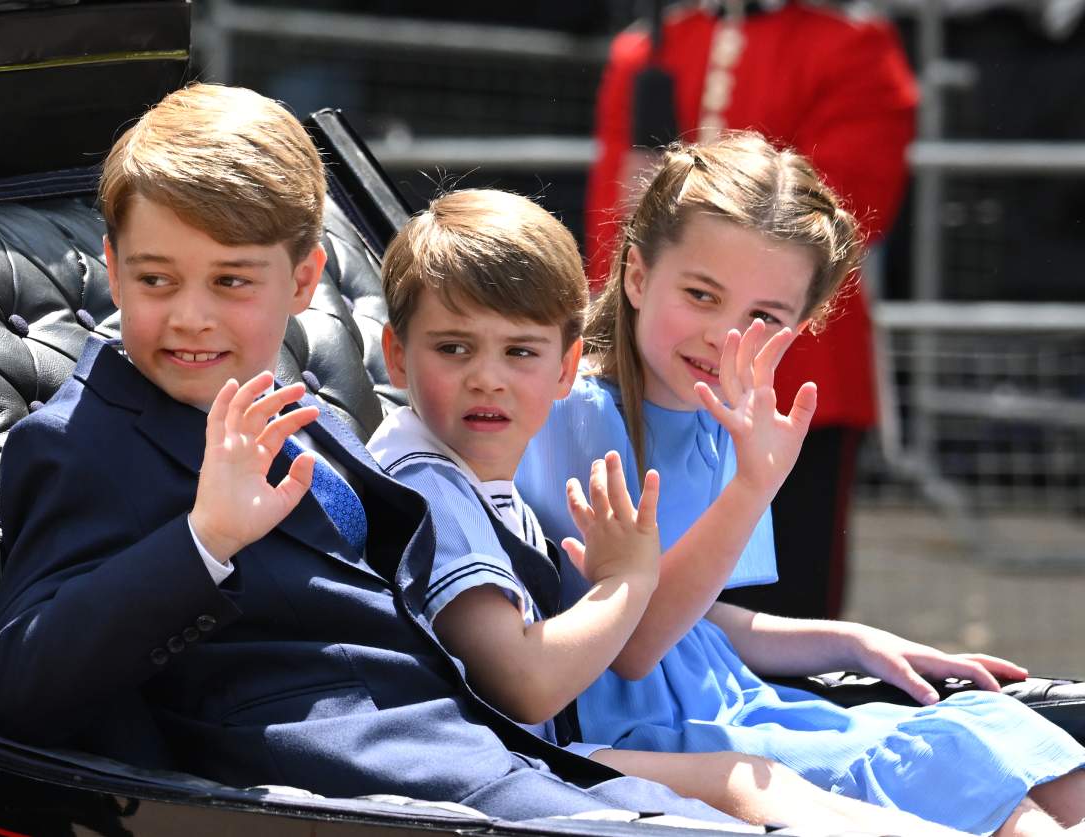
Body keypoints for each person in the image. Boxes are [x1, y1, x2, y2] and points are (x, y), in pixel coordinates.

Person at [0, 82, 755, 825]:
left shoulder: (296, 408)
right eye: (156, 279)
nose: (190, 316)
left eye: (231, 281)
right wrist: (203, 539)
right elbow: (20, 679)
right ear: (113, 270)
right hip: (353, 787)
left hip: (480, 750)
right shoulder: (80, 442)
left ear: (305, 279)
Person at [516, 132, 1085, 837]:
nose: (725, 337)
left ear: (802, 326)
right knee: (969, 774)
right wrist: (752, 486)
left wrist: (850, 639)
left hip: (739, 703)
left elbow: (702, 619)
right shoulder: (574, 414)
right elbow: (634, 644)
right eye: (700, 294)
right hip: (648, 733)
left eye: (763, 318)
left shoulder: (724, 419)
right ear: (636, 276)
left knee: (1027, 748)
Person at [367, 186, 970, 835]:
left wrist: (848, 638)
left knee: (963, 751)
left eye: (520, 352)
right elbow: (541, 680)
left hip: (578, 742)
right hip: (548, 755)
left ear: (561, 364)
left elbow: (697, 623)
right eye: (454, 348)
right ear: (397, 354)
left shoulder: (487, 475)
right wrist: (631, 576)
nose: (488, 377)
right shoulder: (439, 479)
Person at [586, 0, 920, 618]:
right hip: (658, 365)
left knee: (790, 597)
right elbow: (615, 225)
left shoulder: (852, 46)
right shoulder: (644, 51)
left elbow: (841, 213)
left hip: (791, 372)